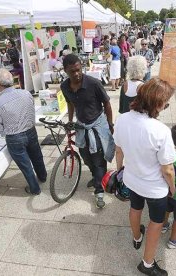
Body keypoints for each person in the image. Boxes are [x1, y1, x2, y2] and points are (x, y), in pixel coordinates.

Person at [114, 78, 176, 276]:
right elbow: (167, 170)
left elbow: (119, 150)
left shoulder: (122, 119)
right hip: (154, 188)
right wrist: (173, 189)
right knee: (156, 223)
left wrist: (120, 171)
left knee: (135, 207)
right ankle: (147, 264)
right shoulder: (161, 131)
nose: (166, 106)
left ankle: (136, 237)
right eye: (166, 102)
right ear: (158, 104)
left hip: (132, 179)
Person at [60, 54, 115, 209]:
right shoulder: (64, 87)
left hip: (96, 125)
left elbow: (107, 104)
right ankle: (97, 177)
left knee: (98, 158)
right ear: (66, 71)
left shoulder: (94, 83)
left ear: (81, 67)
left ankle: (99, 189)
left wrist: (110, 124)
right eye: (72, 71)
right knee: (85, 157)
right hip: (81, 126)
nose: (76, 73)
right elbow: (70, 103)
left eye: (78, 69)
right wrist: (70, 121)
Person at [0, 68, 47, 195]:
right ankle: (43, 176)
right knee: (37, 156)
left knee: (25, 164)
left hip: (14, 137)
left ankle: (35, 189)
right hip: (31, 131)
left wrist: (5, 131)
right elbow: (31, 109)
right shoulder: (26, 93)